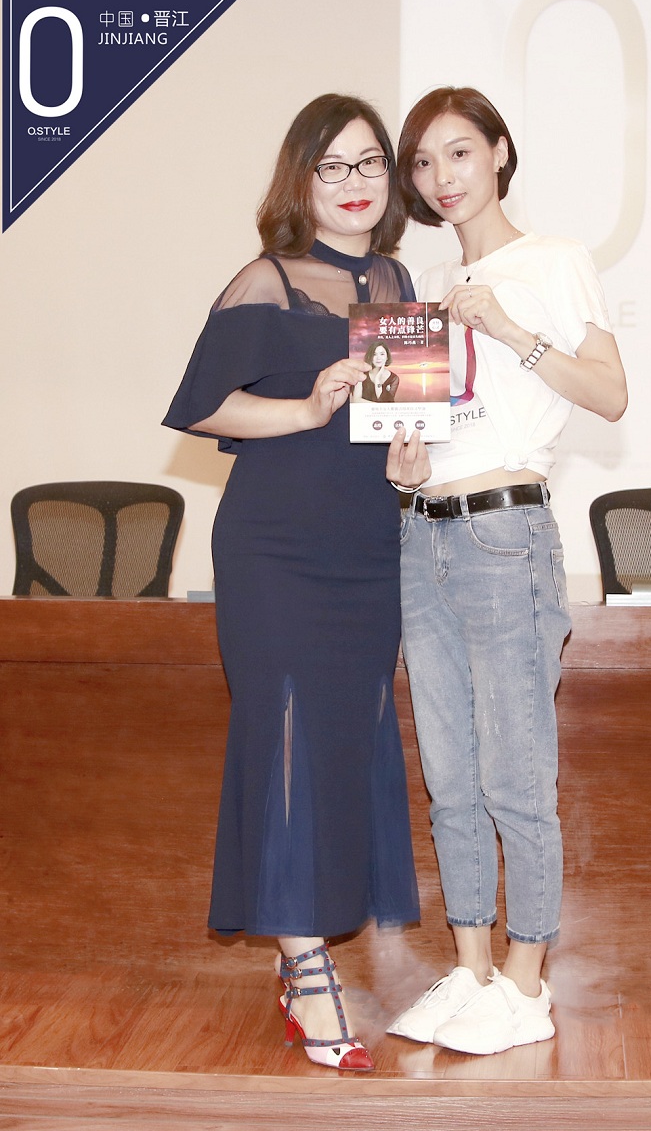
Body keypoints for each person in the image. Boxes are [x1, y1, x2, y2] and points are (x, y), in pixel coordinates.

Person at [163, 94, 420, 1072]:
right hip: (275, 549)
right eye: (333, 167)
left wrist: (410, 458)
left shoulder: (396, 281)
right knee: (281, 744)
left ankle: (302, 951)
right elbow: (201, 408)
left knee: (344, 747)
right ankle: (306, 968)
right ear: (301, 180)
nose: (355, 184)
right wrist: (306, 408)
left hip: (370, 545)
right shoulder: (265, 280)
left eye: (370, 164)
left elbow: (396, 433)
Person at [386, 87, 627, 1056]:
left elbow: (609, 393)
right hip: (422, 534)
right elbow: (421, 436)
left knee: (514, 774)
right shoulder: (424, 288)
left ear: (497, 152)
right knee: (448, 777)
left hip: (503, 534)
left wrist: (510, 331)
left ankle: (527, 983)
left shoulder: (553, 261)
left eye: (458, 152)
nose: (440, 177)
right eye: (422, 162)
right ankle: (472, 967)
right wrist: (404, 464)